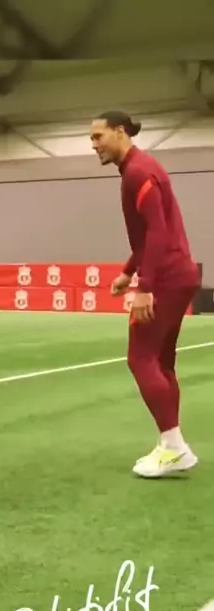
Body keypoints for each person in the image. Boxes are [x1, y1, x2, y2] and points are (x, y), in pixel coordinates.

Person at [90, 111, 200, 478]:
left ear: (120, 132)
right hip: (180, 273)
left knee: (140, 358)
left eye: (99, 136)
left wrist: (145, 287)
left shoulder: (138, 172)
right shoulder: (138, 169)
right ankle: (172, 445)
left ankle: (174, 447)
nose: (94, 145)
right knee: (162, 362)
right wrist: (127, 271)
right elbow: (148, 235)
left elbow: (157, 232)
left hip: (167, 278)